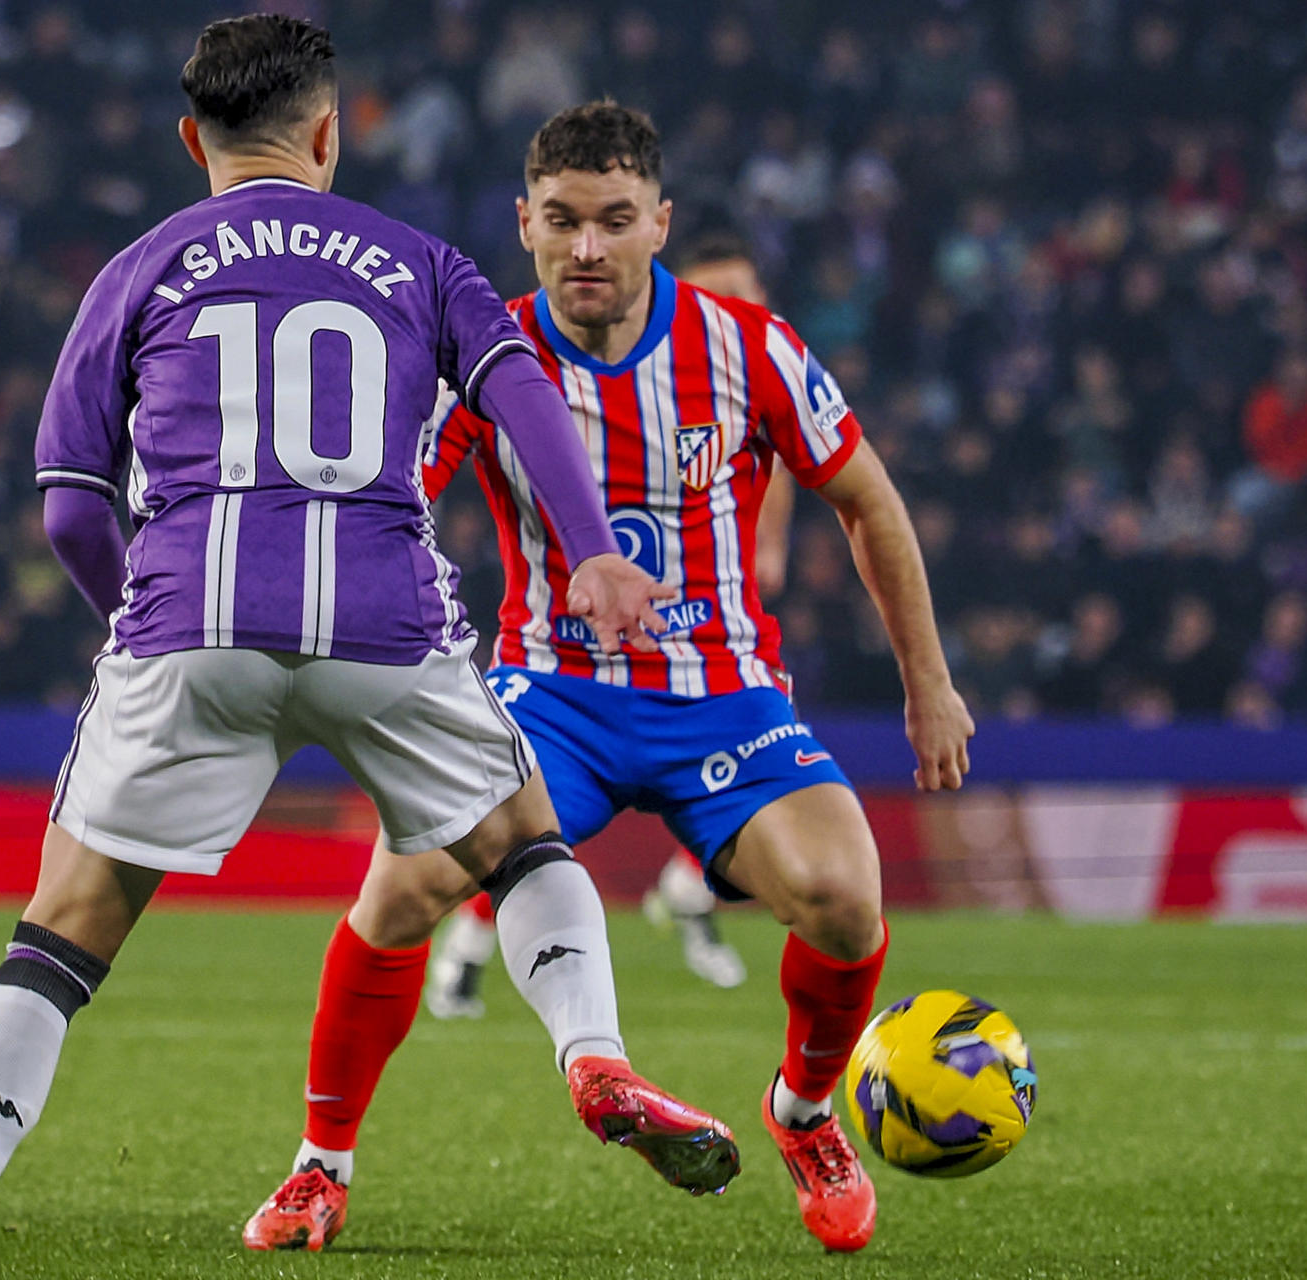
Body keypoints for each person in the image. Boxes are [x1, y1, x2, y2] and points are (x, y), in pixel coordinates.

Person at [0, 24, 738, 1280]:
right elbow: (520, 387)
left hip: (190, 619)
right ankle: (591, 1051)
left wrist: (136, 622)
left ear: (190, 138)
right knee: (522, 843)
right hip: (384, 618)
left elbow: (66, 502)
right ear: (331, 131)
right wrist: (591, 549)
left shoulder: (139, 266)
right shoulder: (417, 258)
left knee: (58, 936)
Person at [243, 102, 974, 1257]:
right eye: (566, 220)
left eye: (617, 221)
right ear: (525, 223)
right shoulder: (483, 359)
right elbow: (388, 508)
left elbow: (869, 500)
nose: (589, 247)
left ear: (660, 225)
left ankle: (806, 1113)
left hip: (724, 698)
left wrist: (929, 683)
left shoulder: (750, 346)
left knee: (845, 894)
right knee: (396, 893)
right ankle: (318, 1168)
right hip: (553, 699)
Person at [424, 231, 789, 1012]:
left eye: (748, 298)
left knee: (787, 808)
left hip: (700, 646)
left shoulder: (748, 377)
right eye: (722, 295)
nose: (739, 312)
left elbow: (779, 463)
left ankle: (689, 892)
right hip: (570, 652)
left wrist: (770, 549)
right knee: (515, 827)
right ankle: (468, 940)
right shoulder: (574, 382)